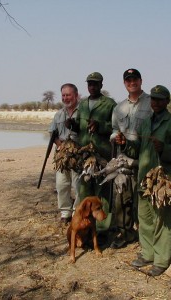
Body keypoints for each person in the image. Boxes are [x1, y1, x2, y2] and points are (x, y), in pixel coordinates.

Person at [115, 85, 171, 276]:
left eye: (160, 99)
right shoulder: (146, 123)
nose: (155, 102)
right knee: (145, 218)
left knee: (163, 221)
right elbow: (137, 148)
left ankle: (162, 260)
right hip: (145, 180)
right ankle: (147, 254)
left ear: (167, 101)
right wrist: (125, 144)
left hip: (163, 183)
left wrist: (164, 148)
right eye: (153, 99)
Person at [65, 72, 117, 233]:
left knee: (102, 192)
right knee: (85, 192)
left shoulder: (109, 104)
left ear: (101, 85)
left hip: (102, 155)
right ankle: (86, 229)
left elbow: (116, 128)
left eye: (95, 84)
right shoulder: (82, 104)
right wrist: (72, 125)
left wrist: (100, 126)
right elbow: (80, 127)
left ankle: (102, 230)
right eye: (89, 84)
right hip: (85, 155)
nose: (92, 87)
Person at [109, 68, 153, 249]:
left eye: (135, 79)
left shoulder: (152, 102)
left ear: (141, 81)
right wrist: (116, 137)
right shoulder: (119, 107)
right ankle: (125, 233)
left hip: (146, 158)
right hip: (124, 158)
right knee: (122, 197)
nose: (131, 82)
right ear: (124, 83)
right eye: (128, 80)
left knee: (144, 198)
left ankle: (146, 236)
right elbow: (113, 130)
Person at [49, 83, 80, 224]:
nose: (66, 98)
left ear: (76, 95)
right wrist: (60, 145)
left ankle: (77, 212)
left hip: (79, 154)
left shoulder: (83, 112)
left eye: (68, 95)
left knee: (78, 185)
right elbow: (52, 133)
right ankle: (65, 212)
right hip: (62, 155)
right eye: (63, 95)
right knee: (61, 185)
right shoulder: (59, 114)